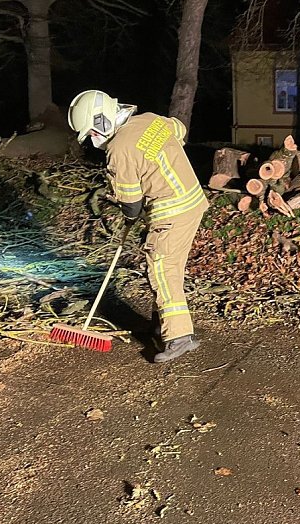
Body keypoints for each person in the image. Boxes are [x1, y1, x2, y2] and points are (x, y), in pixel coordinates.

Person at [67, 90, 209, 363]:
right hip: (193, 202)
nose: (94, 141)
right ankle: (162, 324)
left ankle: (179, 337)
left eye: (93, 133)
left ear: (103, 120)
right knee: (170, 266)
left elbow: (131, 202)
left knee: (161, 266)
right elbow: (178, 131)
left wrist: (130, 216)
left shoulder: (119, 149)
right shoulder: (151, 120)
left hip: (172, 209)